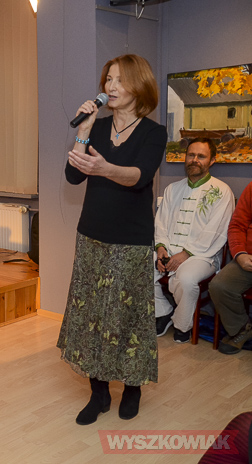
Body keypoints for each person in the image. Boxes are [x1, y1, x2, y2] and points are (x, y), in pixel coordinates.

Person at [57, 54, 167, 425]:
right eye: (108, 79)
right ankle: (99, 393)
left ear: (139, 86)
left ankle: (132, 388)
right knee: (91, 317)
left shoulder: (153, 133)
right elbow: (74, 177)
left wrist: (106, 169)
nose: (111, 86)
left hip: (131, 240)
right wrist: (84, 130)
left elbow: (140, 176)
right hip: (91, 235)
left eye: (120, 79)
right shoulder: (98, 127)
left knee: (127, 317)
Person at [154, 137, 234, 343]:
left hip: (203, 255)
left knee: (187, 279)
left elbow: (216, 231)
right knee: (137, 265)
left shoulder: (222, 191)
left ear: (212, 160)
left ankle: (183, 325)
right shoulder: (172, 189)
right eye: (191, 155)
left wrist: (185, 254)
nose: (195, 160)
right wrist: (161, 248)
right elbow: (160, 222)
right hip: (170, 248)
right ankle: (163, 312)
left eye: (201, 156)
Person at [210, 181, 252, 355]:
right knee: (220, 286)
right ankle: (242, 328)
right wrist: (240, 254)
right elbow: (237, 225)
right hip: (248, 257)